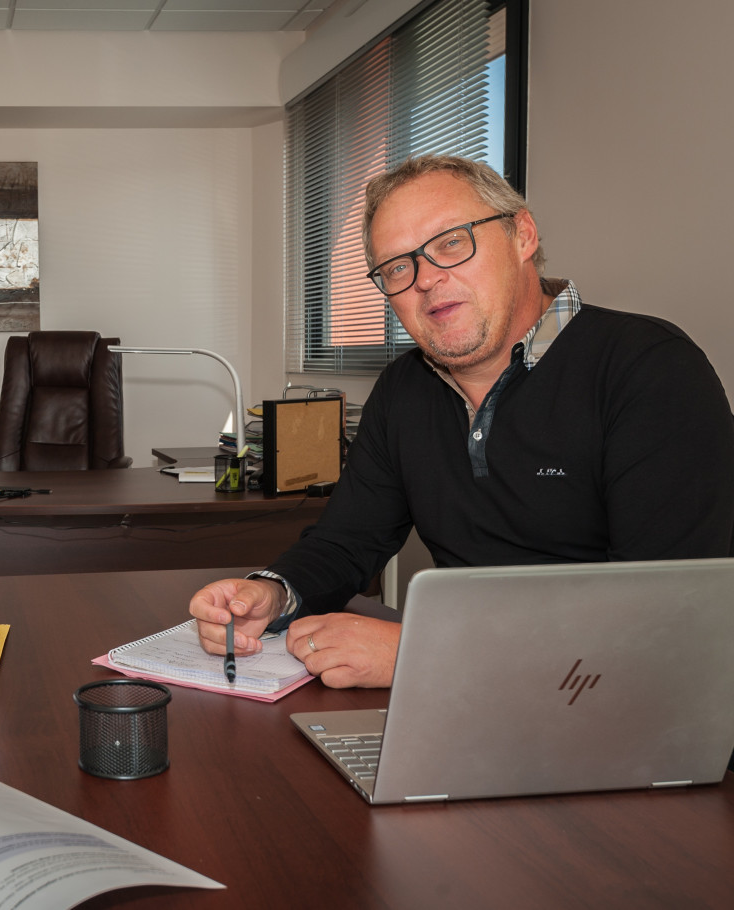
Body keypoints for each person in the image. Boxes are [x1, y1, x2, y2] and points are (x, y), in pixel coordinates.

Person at [190, 154, 734, 690]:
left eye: (451, 242)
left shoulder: (650, 369)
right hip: (469, 705)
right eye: (399, 266)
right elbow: (347, 542)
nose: (426, 279)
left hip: (618, 709)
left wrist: (424, 652)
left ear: (522, 236)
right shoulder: (403, 389)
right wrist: (272, 593)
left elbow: (666, 617)